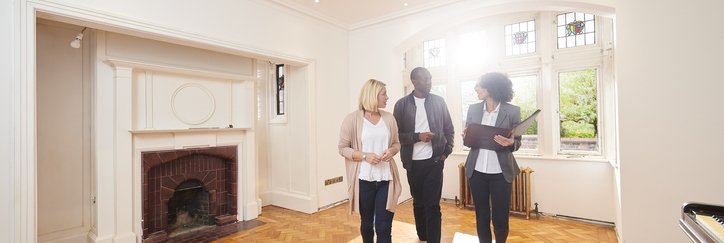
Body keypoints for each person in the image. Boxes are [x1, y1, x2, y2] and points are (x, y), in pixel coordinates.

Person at [393, 67, 454, 243]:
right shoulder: (402, 105)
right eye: (425, 79)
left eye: (430, 78)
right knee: (418, 203)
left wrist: (446, 151)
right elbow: (396, 136)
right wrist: (417, 137)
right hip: (412, 164)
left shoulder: (439, 101)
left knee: (433, 205)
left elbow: (449, 129)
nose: (429, 82)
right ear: (414, 81)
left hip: (435, 161)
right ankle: (422, 237)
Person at [338, 79, 402, 243]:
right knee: (367, 224)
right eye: (383, 94)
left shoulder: (389, 118)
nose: (387, 97)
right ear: (373, 95)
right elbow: (343, 148)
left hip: (386, 180)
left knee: (384, 226)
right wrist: (365, 156)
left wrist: (392, 151)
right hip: (364, 181)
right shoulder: (352, 119)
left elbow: (396, 143)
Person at [462, 72, 522, 243]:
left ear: (491, 87)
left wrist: (510, 143)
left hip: (501, 173)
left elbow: (517, 143)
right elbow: (468, 141)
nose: (476, 89)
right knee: (481, 216)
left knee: (500, 217)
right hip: (477, 171)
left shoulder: (512, 111)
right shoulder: (473, 109)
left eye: (479, 85)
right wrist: (466, 136)